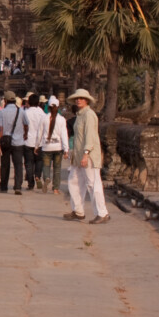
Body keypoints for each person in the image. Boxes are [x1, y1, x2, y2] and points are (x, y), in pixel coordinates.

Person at [62, 88, 109, 224]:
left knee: (93, 184)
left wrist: (86, 153)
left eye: (81, 98)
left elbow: (90, 135)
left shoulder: (89, 115)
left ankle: (102, 213)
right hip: (78, 154)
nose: (78, 100)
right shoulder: (80, 115)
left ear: (87, 100)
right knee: (74, 181)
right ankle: (78, 210)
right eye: (77, 98)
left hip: (88, 154)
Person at [0, 92, 28, 194]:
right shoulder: (21, 111)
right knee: (18, 165)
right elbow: (26, 124)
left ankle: (3, 186)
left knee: (5, 165)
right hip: (18, 142)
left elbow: (0, 129)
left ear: (5, 101)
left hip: (5, 142)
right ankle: (17, 186)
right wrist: (25, 134)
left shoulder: (1, 112)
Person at [41, 100, 69, 194]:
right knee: (57, 169)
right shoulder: (62, 119)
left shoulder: (44, 118)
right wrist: (66, 149)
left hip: (46, 147)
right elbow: (64, 135)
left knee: (46, 166)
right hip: (58, 147)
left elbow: (39, 133)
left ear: (48, 107)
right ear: (58, 108)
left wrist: (37, 146)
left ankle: (46, 178)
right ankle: (56, 189)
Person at [23, 94, 48, 191]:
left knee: (29, 163)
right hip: (40, 141)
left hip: (28, 141)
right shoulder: (42, 114)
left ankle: (30, 183)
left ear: (28, 102)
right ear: (38, 103)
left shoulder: (25, 112)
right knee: (39, 161)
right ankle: (37, 176)